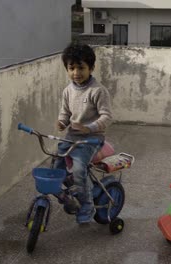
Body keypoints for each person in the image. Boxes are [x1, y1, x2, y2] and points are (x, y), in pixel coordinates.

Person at [54, 43, 113, 224]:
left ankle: (87, 206)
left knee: (79, 170)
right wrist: (62, 122)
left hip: (92, 138)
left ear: (91, 68)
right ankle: (80, 187)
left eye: (81, 68)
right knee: (56, 166)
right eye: (72, 68)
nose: (76, 73)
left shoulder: (98, 91)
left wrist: (90, 128)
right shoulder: (68, 91)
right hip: (73, 136)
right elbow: (65, 112)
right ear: (67, 69)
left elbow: (107, 116)